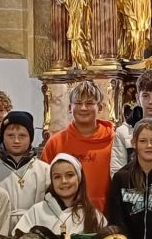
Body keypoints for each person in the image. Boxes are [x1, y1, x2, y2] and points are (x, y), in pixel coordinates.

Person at [41, 80, 115, 212]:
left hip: (106, 215)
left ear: (100, 107)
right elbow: (45, 182)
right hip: (64, 215)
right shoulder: (55, 142)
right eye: (78, 103)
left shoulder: (113, 140)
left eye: (90, 103)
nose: (83, 108)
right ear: (70, 108)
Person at [0, 111, 50, 233]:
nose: (16, 141)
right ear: (3, 137)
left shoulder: (45, 171)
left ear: (30, 138)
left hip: (35, 232)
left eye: (22, 136)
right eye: (10, 135)